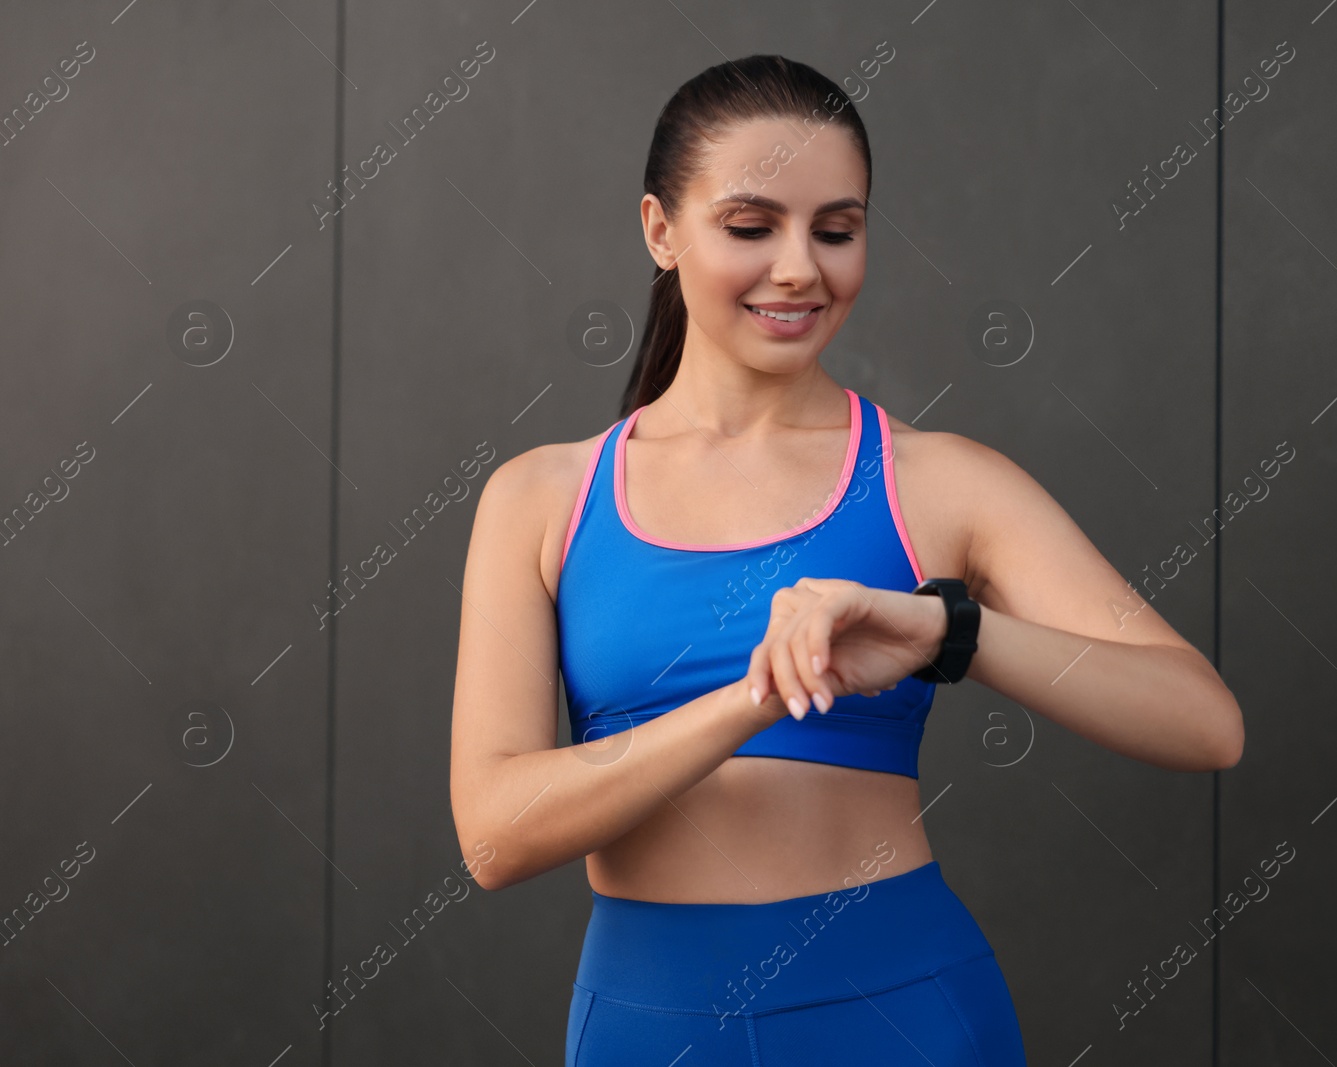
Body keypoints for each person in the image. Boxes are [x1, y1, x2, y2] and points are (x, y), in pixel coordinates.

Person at [448, 54, 1244, 1066]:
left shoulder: (941, 480)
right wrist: (757, 696)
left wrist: (949, 630)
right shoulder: (540, 497)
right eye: (750, 227)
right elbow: (494, 834)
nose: (798, 269)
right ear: (660, 229)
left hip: (897, 1011)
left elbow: (1204, 721)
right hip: (647, 1029)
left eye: (836, 230)